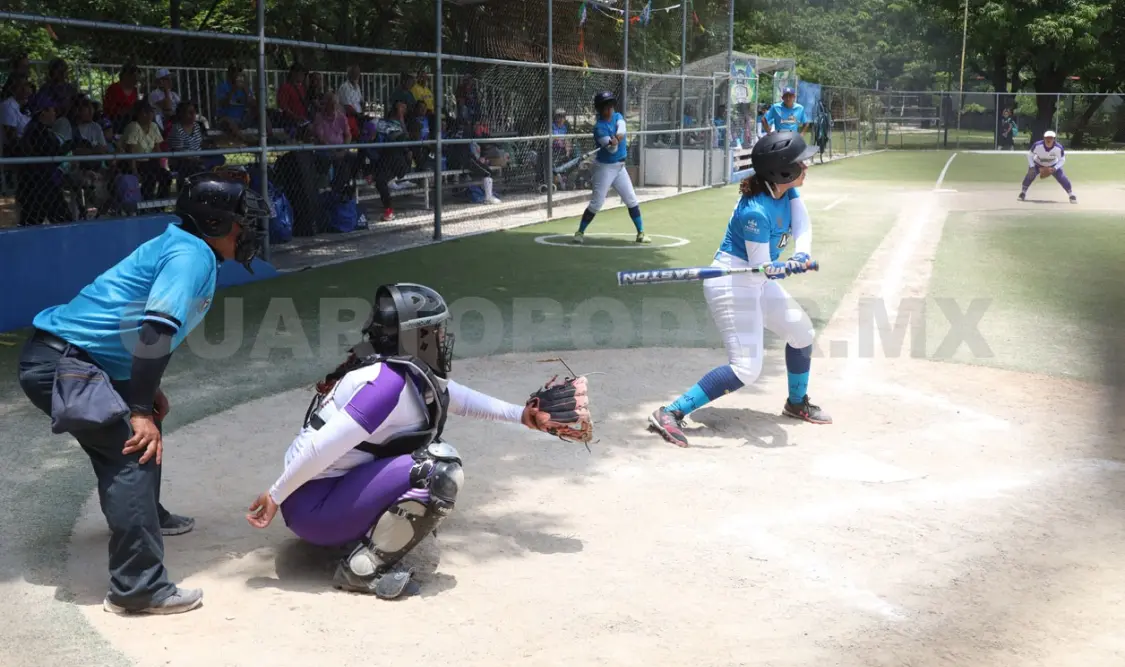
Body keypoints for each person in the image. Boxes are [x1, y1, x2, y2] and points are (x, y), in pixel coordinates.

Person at [17, 173, 269, 615]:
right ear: (213, 223)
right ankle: (137, 588)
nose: (246, 230)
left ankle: (145, 515)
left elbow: (151, 334)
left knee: (140, 436)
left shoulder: (188, 248)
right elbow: (154, 330)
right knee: (132, 450)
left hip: (83, 361)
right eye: (240, 221)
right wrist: (136, 408)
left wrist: (145, 395)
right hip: (64, 364)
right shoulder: (190, 256)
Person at [245, 283, 592, 598]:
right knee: (436, 469)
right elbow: (322, 447)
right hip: (314, 509)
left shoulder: (399, 370)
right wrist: (276, 494)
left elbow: (456, 398)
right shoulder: (385, 386)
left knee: (424, 459)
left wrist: (522, 415)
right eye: (435, 330)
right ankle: (361, 571)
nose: (442, 338)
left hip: (326, 494)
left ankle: (366, 534)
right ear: (415, 336)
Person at [648, 131, 831, 447]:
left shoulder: (783, 192)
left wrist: (800, 254)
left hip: (755, 280)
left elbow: (802, 224)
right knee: (747, 368)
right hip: (731, 284)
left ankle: (796, 403)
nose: (807, 166)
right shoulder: (755, 211)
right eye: (801, 162)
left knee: (802, 333)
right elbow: (763, 267)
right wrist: (781, 268)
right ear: (782, 170)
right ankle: (670, 412)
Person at [573, 90, 649, 245]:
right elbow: (611, 149)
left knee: (631, 199)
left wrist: (618, 137)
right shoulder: (599, 128)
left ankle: (641, 233)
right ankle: (580, 232)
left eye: (611, 106)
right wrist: (612, 144)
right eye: (606, 107)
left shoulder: (617, 117)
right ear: (600, 109)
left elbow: (622, 128)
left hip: (620, 167)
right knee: (597, 203)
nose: (610, 110)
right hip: (605, 168)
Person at [1019, 130, 1075, 203]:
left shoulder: (1058, 148)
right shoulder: (1037, 145)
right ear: (1044, 138)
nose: (1049, 139)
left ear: (1054, 139)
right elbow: (1030, 155)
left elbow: (1062, 159)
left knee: (1061, 177)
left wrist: (1055, 168)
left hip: (1053, 165)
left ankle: (1071, 195)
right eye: (1047, 138)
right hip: (1038, 164)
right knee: (1030, 175)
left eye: (1051, 138)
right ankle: (1023, 193)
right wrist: (1032, 167)